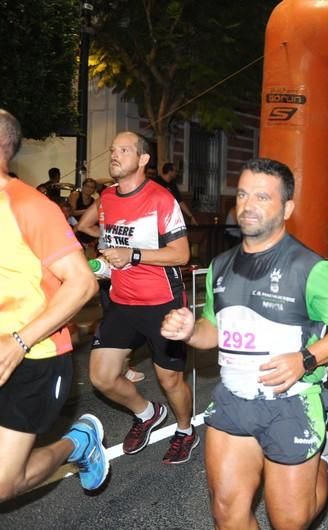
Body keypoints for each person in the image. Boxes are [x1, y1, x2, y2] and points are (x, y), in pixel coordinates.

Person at [161, 157, 328, 529]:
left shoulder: (311, 269)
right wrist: (191, 331)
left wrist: (305, 359)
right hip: (234, 400)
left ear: (287, 208)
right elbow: (214, 329)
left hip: (291, 404)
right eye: (242, 194)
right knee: (226, 513)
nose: (247, 205)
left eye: (262, 197)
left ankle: (323, 457)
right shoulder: (221, 265)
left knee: (290, 521)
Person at [0, 109, 108, 500]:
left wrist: (18, 342)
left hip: (34, 355)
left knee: (3, 483)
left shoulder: (28, 207)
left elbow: (82, 284)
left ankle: (77, 443)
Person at [75, 131, 196, 464]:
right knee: (101, 376)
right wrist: (104, 263)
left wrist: (134, 255)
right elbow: (109, 241)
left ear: (143, 160)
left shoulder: (160, 198)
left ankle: (185, 430)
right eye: (113, 149)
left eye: (124, 150)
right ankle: (147, 413)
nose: (115, 155)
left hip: (161, 301)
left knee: (169, 379)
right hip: (122, 302)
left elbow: (181, 254)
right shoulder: (108, 197)